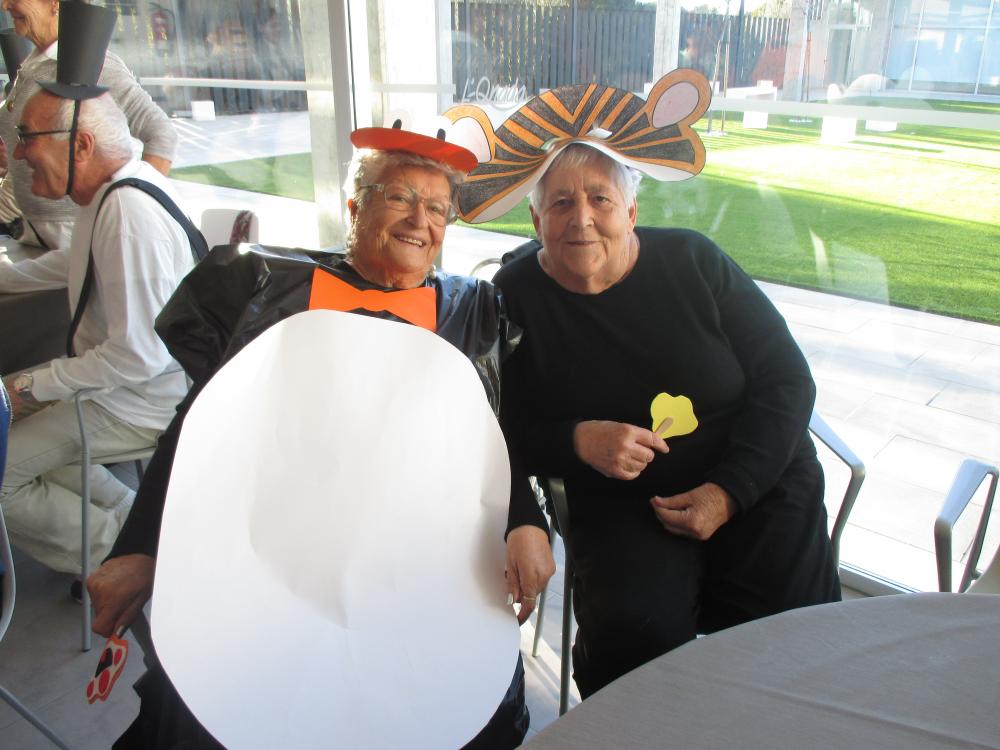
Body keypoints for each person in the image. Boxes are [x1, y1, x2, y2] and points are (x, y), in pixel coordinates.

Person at [87, 124, 555, 749]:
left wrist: (525, 519)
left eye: (438, 208)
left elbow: (498, 438)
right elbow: (200, 430)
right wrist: (140, 548)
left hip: (420, 564)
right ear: (356, 206)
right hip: (274, 556)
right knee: (206, 710)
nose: (420, 220)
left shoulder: (473, 312)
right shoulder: (269, 289)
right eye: (400, 197)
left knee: (462, 708)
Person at [493, 140, 841, 698]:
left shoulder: (692, 261)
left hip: (753, 477)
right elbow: (499, 430)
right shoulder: (514, 298)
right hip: (623, 501)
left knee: (793, 637)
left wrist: (729, 492)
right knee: (634, 638)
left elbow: (788, 378)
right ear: (536, 221)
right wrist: (578, 441)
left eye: (600, 199)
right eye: (560, 203)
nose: (581, 218)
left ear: (631, 212)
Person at [0, 16, 197, 580]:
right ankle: (137, 529)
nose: (18, 155)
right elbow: (72, 263)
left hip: (142, 402)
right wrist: (6, 278)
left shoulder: (129, 216)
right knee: (17, 434)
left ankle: (127, 566)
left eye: (27, 138)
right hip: (124, 389)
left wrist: (31, 384)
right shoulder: (110, 192)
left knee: (1, 470)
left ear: (81, 145)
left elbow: (139, 356)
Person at [0, 0, 177, 250]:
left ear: (54, 3)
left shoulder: (95, 63)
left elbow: (162, 134)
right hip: (33, 231)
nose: (5, 5)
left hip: (73, 234)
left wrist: (134, 208)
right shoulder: (33, 63)